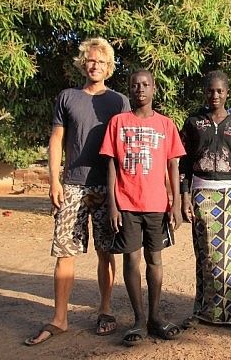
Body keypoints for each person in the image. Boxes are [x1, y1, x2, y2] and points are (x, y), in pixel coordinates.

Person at [25, 38, 130, 346]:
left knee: (105, 250)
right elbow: (56, 140)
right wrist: (54, 181)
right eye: (90, 60)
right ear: (83, 63)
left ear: (109, 68)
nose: (95, 65)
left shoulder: (119, 101)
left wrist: (121, 188)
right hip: (72, 184)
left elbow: (125, 145)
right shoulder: (67, 97)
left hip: (106, 186)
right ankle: (59, 317)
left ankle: (105, 310)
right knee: (64, 252)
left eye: (101, 61)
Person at [99, 70, 185, 346]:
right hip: (126, 203)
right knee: (131, 260)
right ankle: (138, 319)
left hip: (157, 205)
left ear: (154, 89)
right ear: (129, 89)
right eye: (135, 85)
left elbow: (174, 165)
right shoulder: (118, 123)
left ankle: (155, 317)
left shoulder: (166, 125)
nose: (140, 89)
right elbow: (111, 164)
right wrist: (113, 204)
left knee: (155, 260)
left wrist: (176, 204)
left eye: (145, 85)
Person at [179, 70, 231, 332]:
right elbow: (184, 163)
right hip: (201, 193)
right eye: (210, 90)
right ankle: (202, 311)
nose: (215, 95)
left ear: (227, 93)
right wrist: (184, 197)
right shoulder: (193, 123)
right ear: (204, 92)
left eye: (220, 91)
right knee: (206, 255)